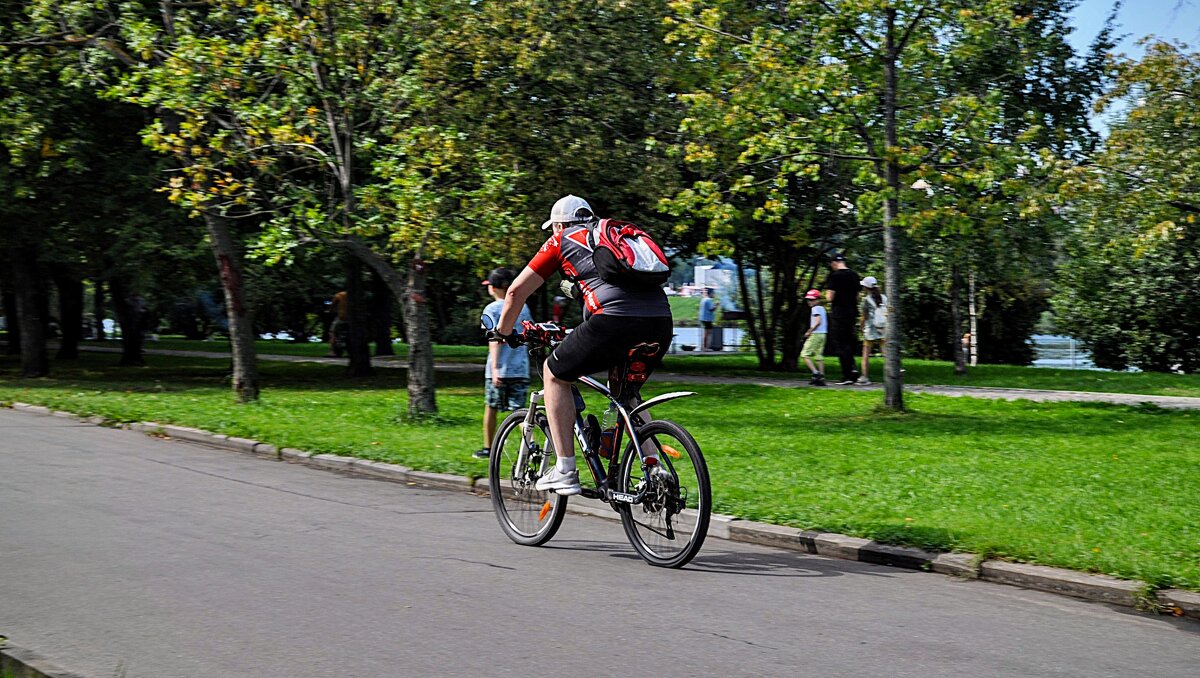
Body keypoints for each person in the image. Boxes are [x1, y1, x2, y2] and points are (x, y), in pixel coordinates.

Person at [494, 195, 673, 495]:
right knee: (626, 394)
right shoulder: (613, 235)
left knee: (553, 372)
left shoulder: (561, 239)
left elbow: (514, 293)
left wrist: (503, 331)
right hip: (660, 322)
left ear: (560, 224)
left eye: (553, 228)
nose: (553, 233)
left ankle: (565, 469)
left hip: (612, 322)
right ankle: (655, 468)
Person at [475, 268, 533, 459]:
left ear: (494, 288)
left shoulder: (491, 309)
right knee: (520, 413)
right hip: (520, 369)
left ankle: (488, 448)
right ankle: (531, 448)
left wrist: (495, 368)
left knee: (491, 407)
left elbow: (494, 339)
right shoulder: (523, 307)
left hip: (499, 370)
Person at [823, 253, 861, 385]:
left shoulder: (835, 276)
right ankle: (853, 370)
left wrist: (828, 295)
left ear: (834, 263)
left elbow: (830, 297)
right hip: (851, 313)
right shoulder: (854, 275)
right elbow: (857, 297)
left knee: (840, 343)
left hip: (839, 313)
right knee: (849, 341)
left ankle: (847, 374)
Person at [858, 276, 887, 385]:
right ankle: (893, 372)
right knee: (886, 352)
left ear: (866, 287)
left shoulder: (866, 300)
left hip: (870, 329)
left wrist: (861, 327)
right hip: (883, 328)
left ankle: (864, 377)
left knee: (865, 354)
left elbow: (864, 316)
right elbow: (889, 311)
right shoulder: (884, 297)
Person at [800, 289, 827, 386]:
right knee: (819, 356)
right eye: (808, 300)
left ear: (818, 300)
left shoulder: (815, 309)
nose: (810, 302)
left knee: (804, 354)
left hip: (816, 334)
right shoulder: (822, 308)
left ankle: (816, 373)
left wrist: (809, 331)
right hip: (823, 334)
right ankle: (821, 378)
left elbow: (818, 321)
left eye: (812, 300)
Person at [326, 290, 348, 357]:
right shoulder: (355, 296)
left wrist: (329, 311)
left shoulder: (339, 295)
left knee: (332, 332)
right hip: (352, 319)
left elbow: (332, 306)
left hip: (342, 318)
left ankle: (332, 351)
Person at [698, 287, 716, 352]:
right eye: (713, 293)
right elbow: (711, 309)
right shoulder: (709, 300)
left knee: (707, 332)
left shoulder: (703, 299)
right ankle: (706, 347)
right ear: (710, 294)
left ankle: (704, 347)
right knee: (708, 333)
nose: (714, 294)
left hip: (703, 318)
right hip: (707, 319)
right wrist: (716, 305)